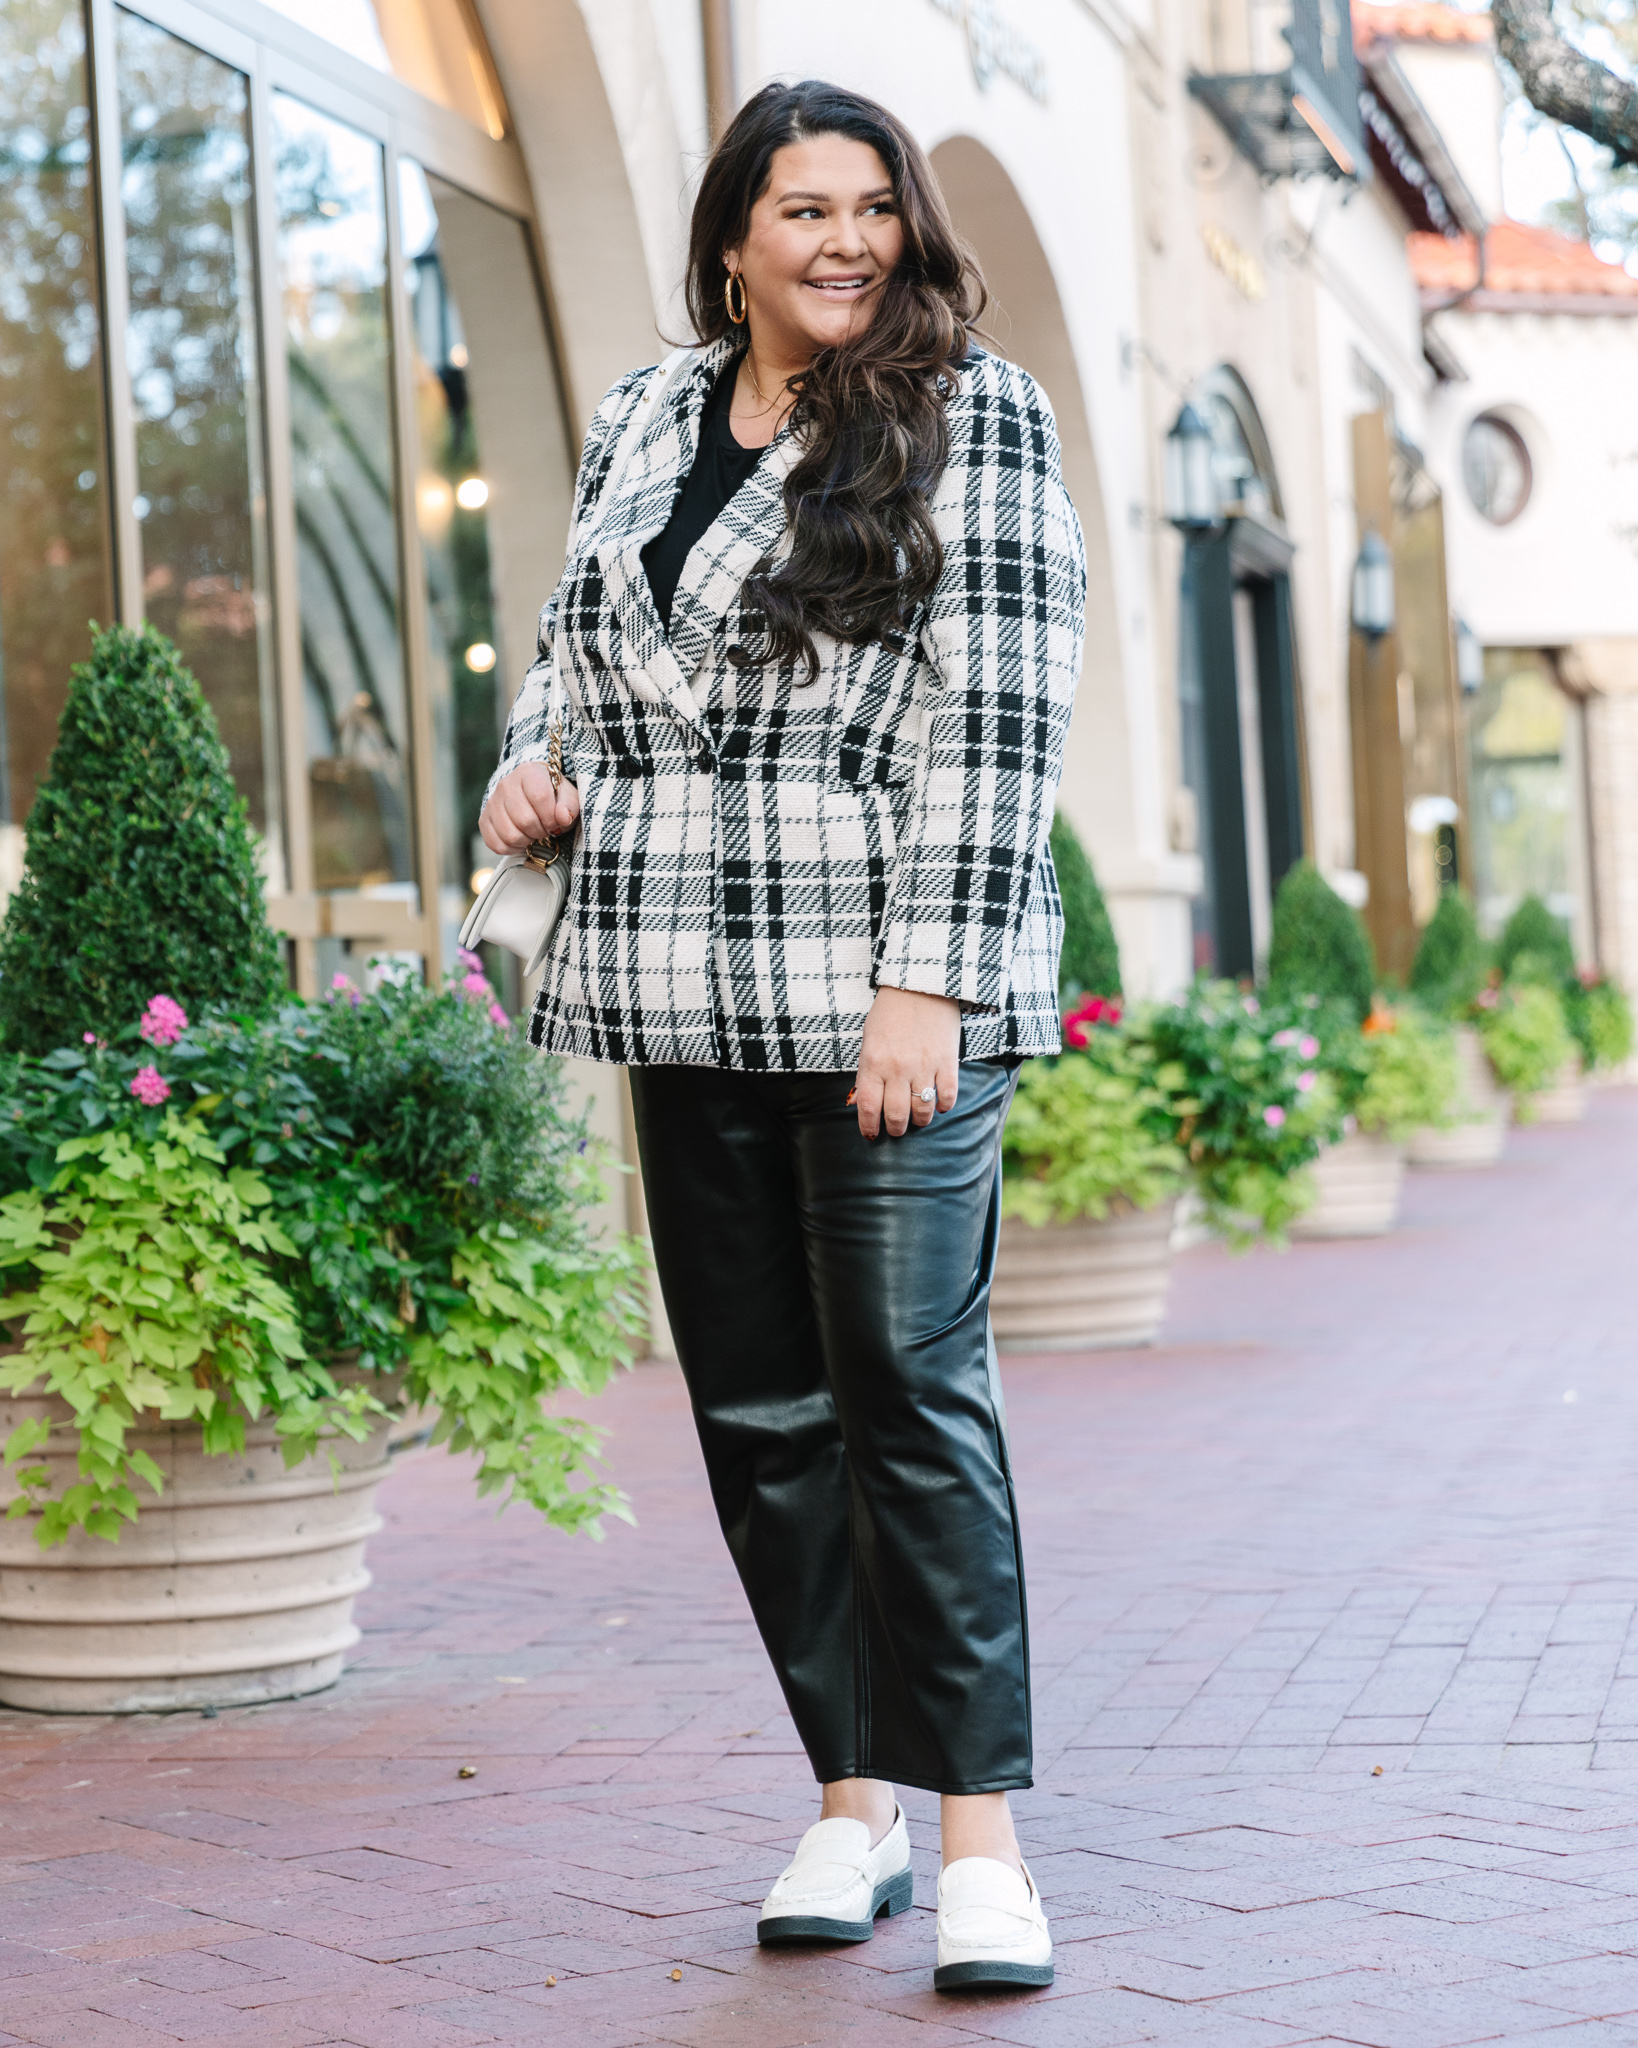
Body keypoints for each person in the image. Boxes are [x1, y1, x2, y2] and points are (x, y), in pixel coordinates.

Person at [479, 79, 1085, 1994]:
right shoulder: (642, 412)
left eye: (871, 209)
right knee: (755, 1411)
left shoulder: (970, 413)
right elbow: (576, 648)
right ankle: (853, 1804)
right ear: (731, 233)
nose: (842, 243)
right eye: (801, 209)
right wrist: (529, 769)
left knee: (909, 1394)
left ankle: (979, 1837)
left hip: (882, 990)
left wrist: (932, 982)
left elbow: (997, 718)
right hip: (678, 975)